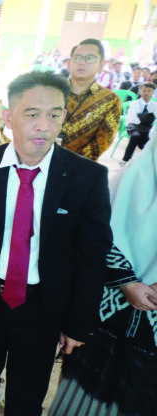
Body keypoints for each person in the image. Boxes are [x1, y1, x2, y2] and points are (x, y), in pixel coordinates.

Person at [0, 71, 113, 416]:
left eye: (55, 114)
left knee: (27, 398)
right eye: (32, 114)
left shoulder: (86, 178)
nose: (43, 126)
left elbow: (92, 256)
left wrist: (78, 323)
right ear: (9, 117)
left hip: (42, 308)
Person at [49, 137, 157, 416]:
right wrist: (127, 282)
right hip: (104, 312)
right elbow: (91, 236)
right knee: (83, 395)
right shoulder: (127, 180)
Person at [61, 38, 122, 160]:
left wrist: (69, 161)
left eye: (90, 58)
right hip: (40, 162)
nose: (82, 62)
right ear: (69, 63)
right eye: (77, 58)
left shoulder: (110, 100)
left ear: (101, 65)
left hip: (79, 167)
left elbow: (103, 140)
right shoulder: (52, 91)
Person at [121, 82, 157, 164]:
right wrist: (146, 119)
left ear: (153, 93)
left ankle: (144, 162)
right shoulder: (134, 104)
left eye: (149, 91)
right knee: (136, 136)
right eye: (144, 90)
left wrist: (146, 120)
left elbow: (154, 121)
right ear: (140, 92)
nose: (146, 93)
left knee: (148, 140)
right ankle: (125, 160)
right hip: (132, 126)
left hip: (147, 128)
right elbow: (131, 119)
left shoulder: (155, 106)